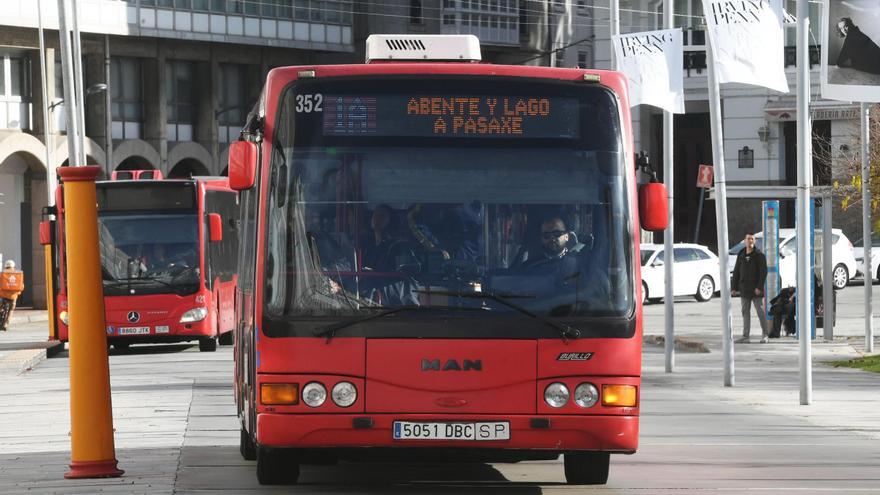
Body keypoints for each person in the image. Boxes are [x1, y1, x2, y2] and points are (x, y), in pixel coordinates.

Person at [731, 233, 770, 343]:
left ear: (755, 241)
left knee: (760, 312)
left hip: (756, 289)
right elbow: (736, 271)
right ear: (744, 241)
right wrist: (734, 287)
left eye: (752, 239)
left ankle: (765, 334)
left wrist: (759, 287)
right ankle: (745, 336)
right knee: (745, 312)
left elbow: (763, 272)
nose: (750, 241)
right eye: (748, 239)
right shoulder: (741, 254)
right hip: (744, 288)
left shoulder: (759, 255)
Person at [0, 260, 25, 331]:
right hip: (13, 297)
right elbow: (21, 286)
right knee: (11, 310)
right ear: (13, 266)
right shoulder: (18, 274)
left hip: (3, 295)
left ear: (5, 266)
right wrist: (18, 292)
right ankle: (6, 324)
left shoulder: (2, 274)